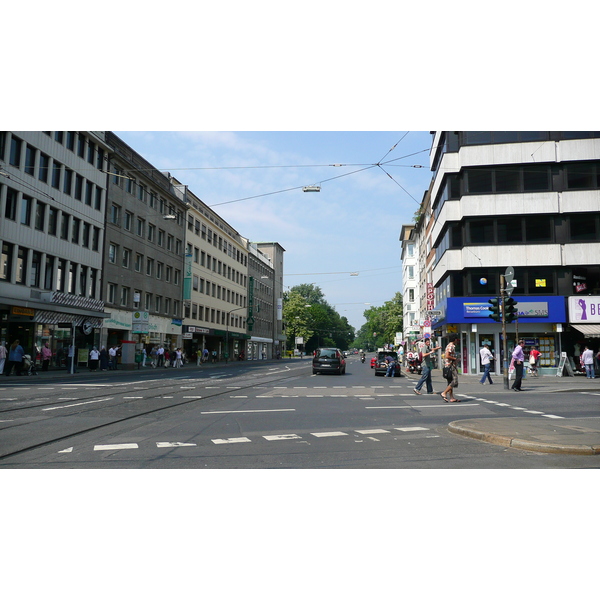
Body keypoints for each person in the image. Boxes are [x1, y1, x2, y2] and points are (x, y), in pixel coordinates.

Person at [440, 334, 459, 402]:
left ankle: (451, 397)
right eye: (456, 339)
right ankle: (444, 392)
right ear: (455, 339)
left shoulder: (449, 345)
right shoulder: (451, 346)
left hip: (449, 365)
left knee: (450, 381)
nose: (457, 341)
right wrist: (455, 358)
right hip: (450, 365)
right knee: (454, 381)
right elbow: (447, 356)